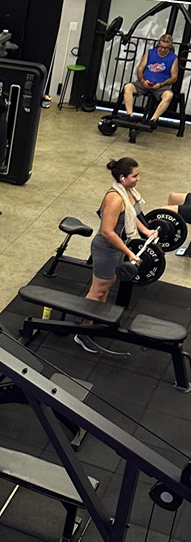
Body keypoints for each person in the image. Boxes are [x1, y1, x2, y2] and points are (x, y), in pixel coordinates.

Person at [75, 157, 158, 353]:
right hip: (106, 249)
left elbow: (132, 215)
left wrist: (146, 231)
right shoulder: (115, 198)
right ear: (122, 177)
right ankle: (81, 331)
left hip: (117, 248)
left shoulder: (127, 193)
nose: (138, 179)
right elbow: (107, 232)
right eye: (134, 176)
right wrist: (129, 252)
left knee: (107, 285)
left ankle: (96, 320)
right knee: (98, 290)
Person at [123, 33, 178, 125]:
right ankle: (130, 115)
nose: (163, 50)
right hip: (144, 82)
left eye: (166, 48)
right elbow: (140, 69)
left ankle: (153, 120)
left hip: (161, 86)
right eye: (161, 47)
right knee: (128, 87)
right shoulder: (149, 53)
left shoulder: (173, 58)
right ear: (158, 44)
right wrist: (143, 81)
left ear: (170, 47)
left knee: (169, 95)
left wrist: (162, 84)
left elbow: (174, 77)